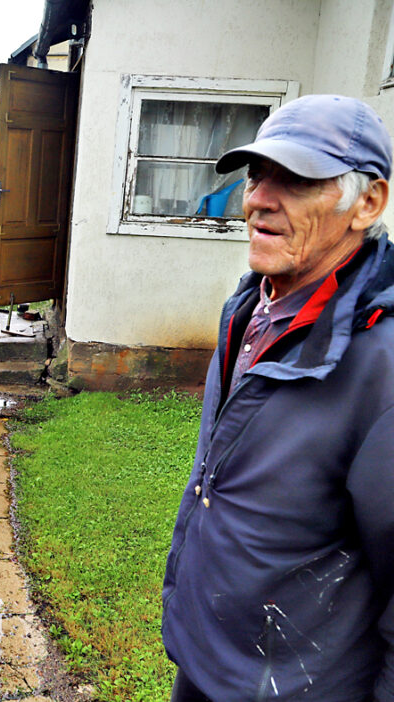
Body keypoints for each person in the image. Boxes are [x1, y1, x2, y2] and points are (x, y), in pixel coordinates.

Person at [162, 94, 394, 702]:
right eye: (258, 175)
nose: (259, 198)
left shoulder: (384, 364)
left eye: (294, 180)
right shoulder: (249, 308)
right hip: (205, 658)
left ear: (367, 203)